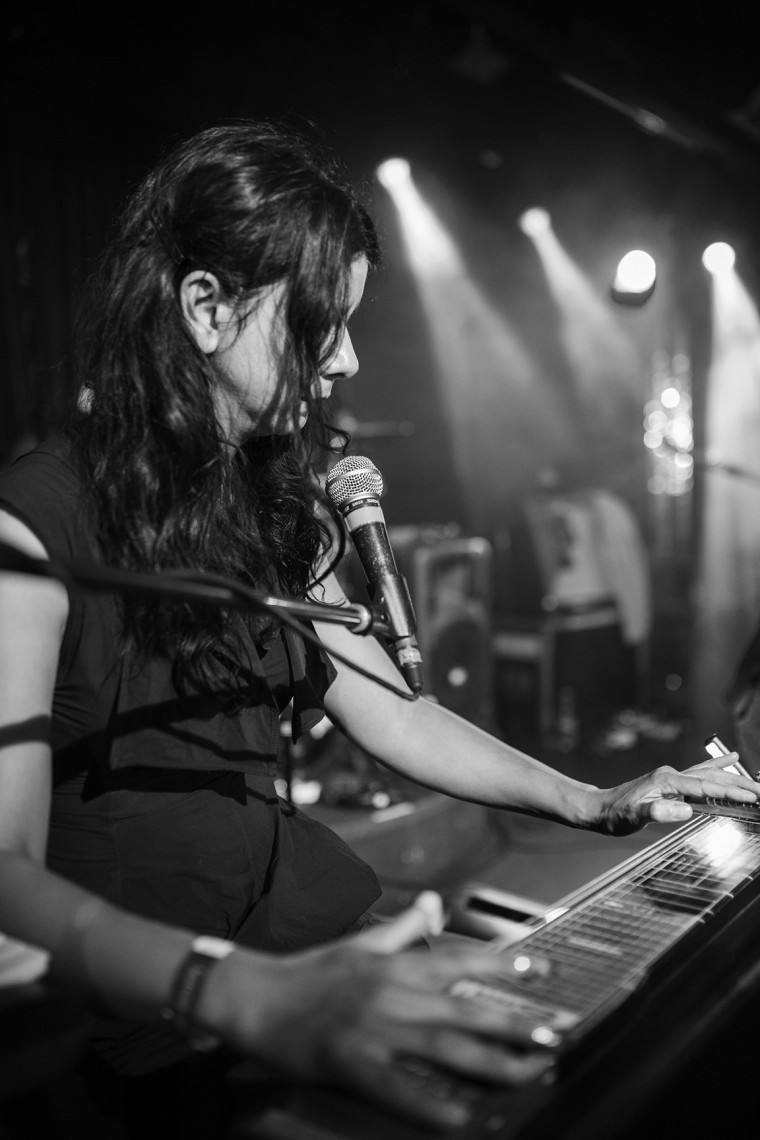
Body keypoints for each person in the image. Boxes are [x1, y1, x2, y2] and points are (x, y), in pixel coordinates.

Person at [0, 120, 756, 1138]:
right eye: (323, 322)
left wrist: (593, 800)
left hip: (289, 930)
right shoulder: (35, 523)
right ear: (206, 308)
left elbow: (398, 716)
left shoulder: (278, 509)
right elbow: (4, 875)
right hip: (149, 1000)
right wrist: (235, 995)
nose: (347, 358)